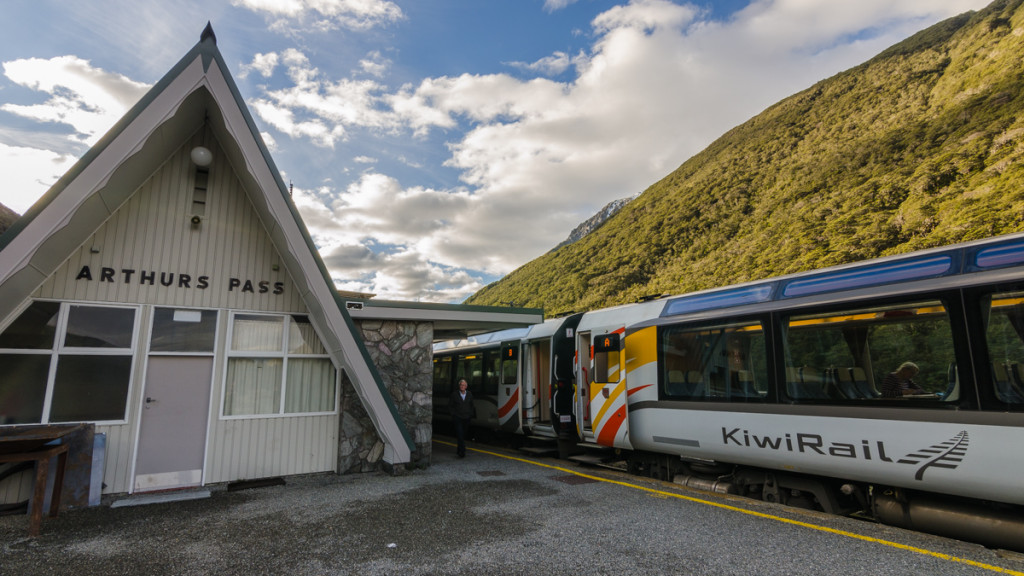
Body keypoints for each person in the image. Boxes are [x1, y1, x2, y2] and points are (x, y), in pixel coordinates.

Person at [449, 379, 476, 458]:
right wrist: (453, 414)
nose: (462, 386)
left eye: (464, 385)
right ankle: (462, 451)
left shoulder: (470, 394)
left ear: (466, 386)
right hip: (458, 417)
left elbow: (472, 405)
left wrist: (470, 414)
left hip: (466, 418)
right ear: (459, 386)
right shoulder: (454, 394)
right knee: (460, 434)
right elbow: (450, 405)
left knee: (463, 434)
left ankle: (459, 449)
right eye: (461, 385)